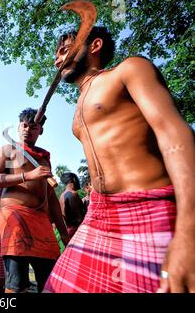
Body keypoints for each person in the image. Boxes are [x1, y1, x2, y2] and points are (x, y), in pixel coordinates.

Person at [44, 26, 195, 293]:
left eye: (65, 49)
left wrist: (189, 231)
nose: (58, 59)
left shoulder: (129, 70)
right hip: (99, 215)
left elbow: (173, 133)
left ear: (95, 46)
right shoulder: (78, 109)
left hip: (150, 209)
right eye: (56, 54)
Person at [0, 108, 69, 293]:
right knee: (17, 284)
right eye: (24, 125)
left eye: (33, 127)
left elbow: (50, 197)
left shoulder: (45, 159)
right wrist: (28, 176)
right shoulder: (9, 151)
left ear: (41, 130)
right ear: (18, 127)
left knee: (49, 281)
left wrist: (63, 232)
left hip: (42, 221)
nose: (27, 130)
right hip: (15, 216)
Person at [59, 172, 85, 238]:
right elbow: (79, 218)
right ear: (74, 179)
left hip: (69, 231)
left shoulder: (62, 196)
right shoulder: (72, 194)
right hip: (78, 232)